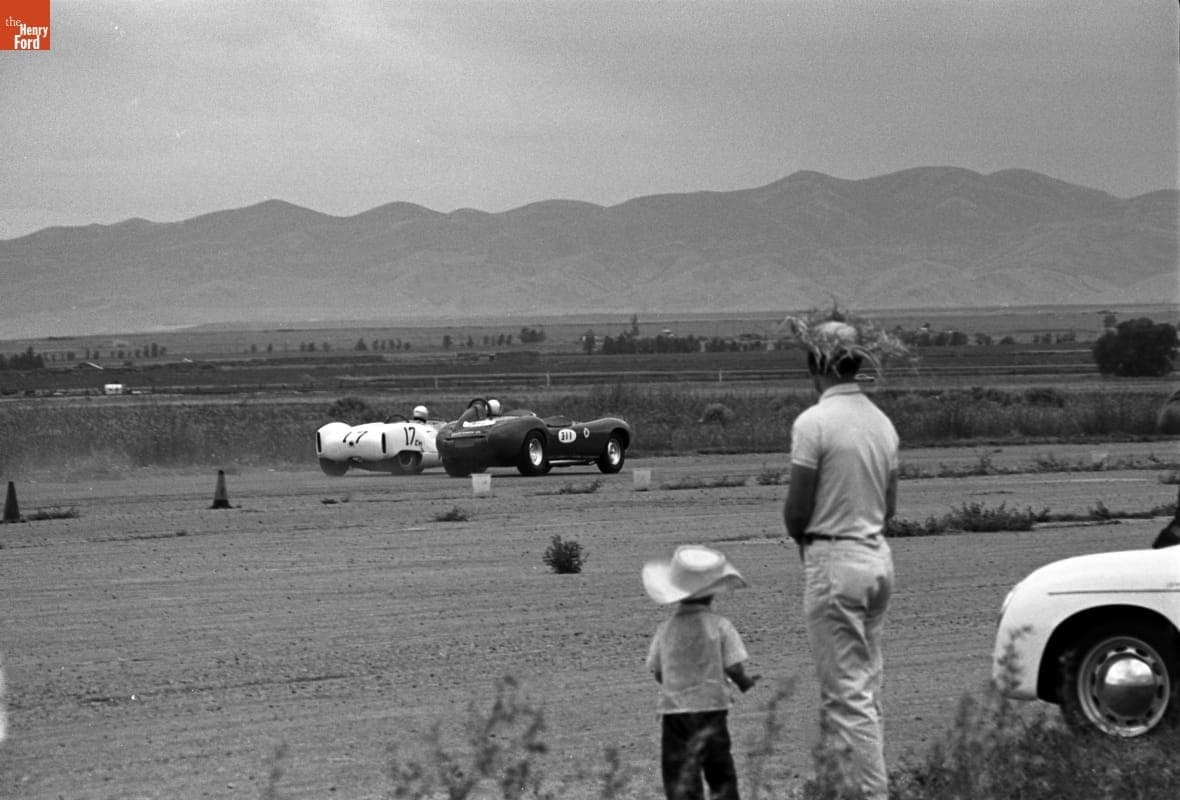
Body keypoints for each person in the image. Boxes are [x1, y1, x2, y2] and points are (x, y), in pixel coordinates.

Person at [780, 309, 911, 800]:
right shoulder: (882, 424)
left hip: (835, 562)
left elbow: (797, 510)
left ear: (816, 363)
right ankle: (847, 786)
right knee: (866, 684)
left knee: (845, 695)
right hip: (877, 556)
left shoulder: (813, 424)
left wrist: (807, 545)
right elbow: (891, 504)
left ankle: (870, 793)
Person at [643, 545, 760, 800]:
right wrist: (744, 682)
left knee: (680, 774)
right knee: (719, 770)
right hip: (711, 708)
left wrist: (674, 683)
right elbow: (734, 667)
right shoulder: (721, 626)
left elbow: (658, 671)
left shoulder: (666, 629)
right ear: (713, 593)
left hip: (674, 713)